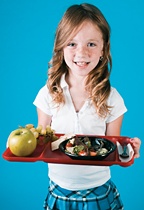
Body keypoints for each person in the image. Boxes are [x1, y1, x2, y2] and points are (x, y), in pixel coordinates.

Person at [33, 3, 141, 210]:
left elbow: (112, 151)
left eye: (91, 44)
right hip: (59, 191)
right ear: (61, 47)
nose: (81, 52)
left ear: (103, 48)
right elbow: (41, 142)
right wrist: (27, 144)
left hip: (99, 191)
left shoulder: (112, 98)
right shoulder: (47, 93)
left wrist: (128, 149)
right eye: (72, 44)